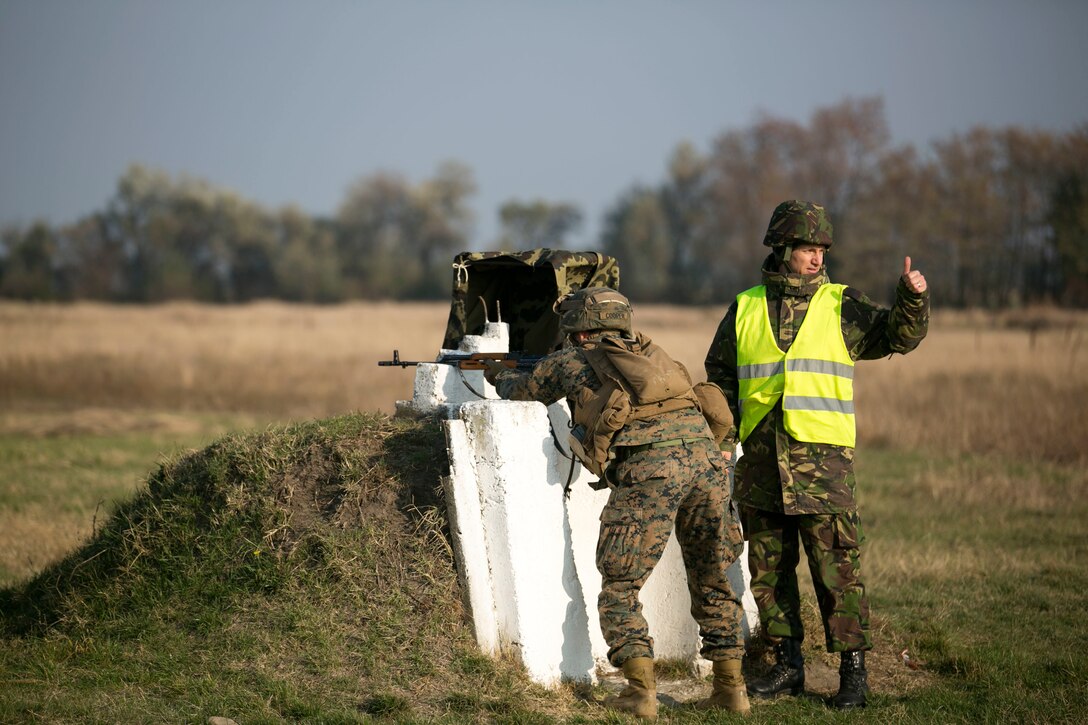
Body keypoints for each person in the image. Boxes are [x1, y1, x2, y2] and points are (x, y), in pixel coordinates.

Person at [483, 287, 749, 721]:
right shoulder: (654, 353)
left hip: (650, 472)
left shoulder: (573, 360)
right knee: (713, 576)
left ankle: (640, 693)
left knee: (621, 583)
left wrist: (496, 372)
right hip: (706, 468)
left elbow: (521, 391)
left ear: (578, 326)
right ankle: (731, 689)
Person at [703, 200, 929, 710]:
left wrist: (911, 300)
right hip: (760, 466)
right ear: (782, 249)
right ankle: (787, 667)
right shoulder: (744, 308)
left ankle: (853, 673)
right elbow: (719, 377)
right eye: (808, 248)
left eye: (822, 249)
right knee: (769, 572)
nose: (817, 258)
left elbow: (899, 335)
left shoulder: (842, 305)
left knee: (837, 571)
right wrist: (721, 436)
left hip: (822, 470)